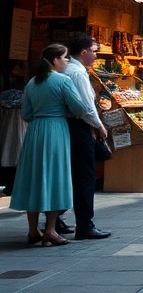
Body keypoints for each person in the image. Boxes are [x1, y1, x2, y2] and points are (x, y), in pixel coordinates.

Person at [10, 44, 98, 246]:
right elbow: (79, 108)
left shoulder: (32, 83)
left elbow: (26, 114)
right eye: (65, 58)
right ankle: (50, 229)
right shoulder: (63, 80)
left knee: (34, 178)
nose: (67, 61)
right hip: (56, 129)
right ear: (55, 60)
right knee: (55, 176)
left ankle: (33, 230)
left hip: (35, 132)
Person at [63, 34, 110, 239]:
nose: (96, 55)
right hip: (79, 126)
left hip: (70, 126)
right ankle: (85, 224)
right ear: (84, 53)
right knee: (85, 176)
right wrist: (98, 126)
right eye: (95, 51)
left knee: (70, 174)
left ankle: (56, 220)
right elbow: (85, 107)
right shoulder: (78, 73)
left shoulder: (68, 69)